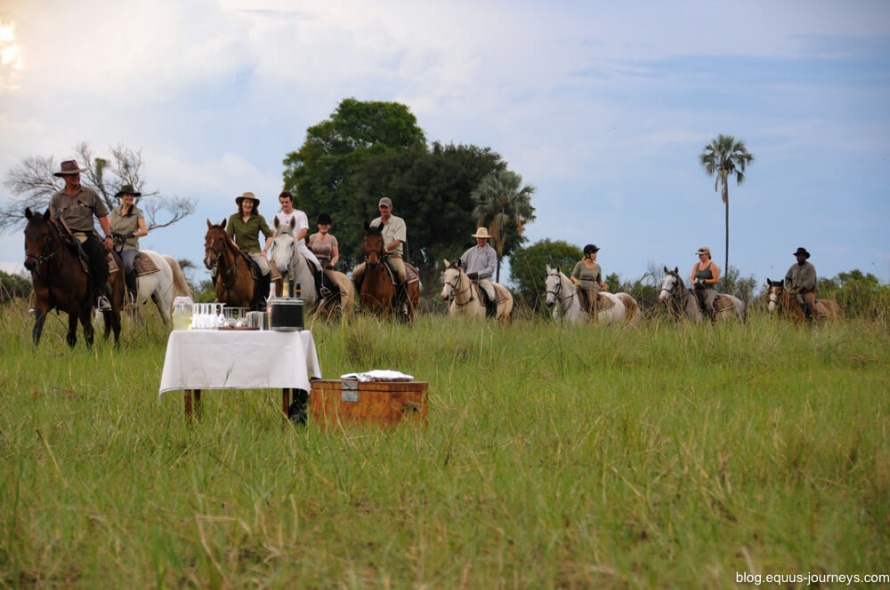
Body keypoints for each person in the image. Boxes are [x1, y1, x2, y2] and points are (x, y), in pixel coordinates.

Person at [48, 159, 114, 310]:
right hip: (63, 238)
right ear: (64, 177)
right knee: (45, 259)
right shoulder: (56, 198)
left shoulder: (90, 194)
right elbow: (52, 220)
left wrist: (108, 236)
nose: (76, 176)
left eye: (77, 173)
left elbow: (102, 215)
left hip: (86, 236)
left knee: (100, 260)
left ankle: (100, 296)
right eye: (72, 175)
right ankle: (48, 297)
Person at [352, 197, 408, 311]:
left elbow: (398, 240)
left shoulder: (399, 221)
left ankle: (401, 303)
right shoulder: (374, 222)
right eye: (382, 207)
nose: (384, 209)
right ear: (379, 208)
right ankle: (361, 302)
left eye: (386, 207)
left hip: (393, 255)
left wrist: (386, 248)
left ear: (390, 207)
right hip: (376, 256)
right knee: (355, 273)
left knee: (402, 274)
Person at [275, 191, 329, 297]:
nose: (284, 205)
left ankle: (320, 289)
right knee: (270, 266)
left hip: (299, 246)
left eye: (286, 202)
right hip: (282, 248)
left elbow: (304, 231)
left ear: (291, 202)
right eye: (282, 203)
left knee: (317, 265)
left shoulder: (300, 214)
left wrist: (293, 241)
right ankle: (272, 293)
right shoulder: (277, 217)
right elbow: (273, 232)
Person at [225, 192, 273, 294]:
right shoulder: (233, 218)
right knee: (221, 267)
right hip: (238, 252)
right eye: (246, 202)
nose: (248, 205)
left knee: (265, 269)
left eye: (251, 203)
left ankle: (264, 297)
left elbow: (269, 236)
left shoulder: (259, 219)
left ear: (254, 205)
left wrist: (265, 250)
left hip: (254, 251)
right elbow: (228, 236)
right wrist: (233, 244)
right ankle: (221, 294)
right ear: (241, 204)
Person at [110, 184, 148, 305]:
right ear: (122, 196)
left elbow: (144, 231)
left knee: (127, 265)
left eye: (131, 195)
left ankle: (132, 294)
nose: (129, 197)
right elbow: (108, 226)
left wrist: (132, 235)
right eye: (127, 195)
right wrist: (110, 234)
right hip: (114, 246)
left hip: (129, 247)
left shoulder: (137, 212)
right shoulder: (115, 212)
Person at [459, 227, 498, 317]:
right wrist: (463, 274)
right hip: (469, 280)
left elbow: (491, 268)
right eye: (479, 238)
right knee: (455, 292)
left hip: (484, 280)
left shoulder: (491, 252)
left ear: (486, 239)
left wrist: (477, 274)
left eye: (483, 238)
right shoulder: (470, 251)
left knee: (491, 296)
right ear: (476, 238)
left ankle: (490, 315)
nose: (481, 240)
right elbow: (461, 263)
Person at [570, 244, 609, 315]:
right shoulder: (580, 264)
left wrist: (605, 285)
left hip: (591, 289)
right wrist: (576, 281)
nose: (595, 255)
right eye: (593, 253)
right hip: (580, 286)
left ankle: (594, 320)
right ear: (587, 254)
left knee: (592, 302)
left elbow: (599, 281)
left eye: (595, 253)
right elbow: (572, 276)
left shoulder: (598, 267)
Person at [785, 247, 817, 320]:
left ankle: (813, 319)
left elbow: (810, 281)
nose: (800, 257)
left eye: (802, 256)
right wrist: (789, 289)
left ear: (805, 257)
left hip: (807, 291)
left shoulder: (810, 267)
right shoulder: (793, 267)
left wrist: (800, 289)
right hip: (793, 291)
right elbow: (787, 278)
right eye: (798, 256)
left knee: (809, 303)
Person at [689, 245, 720, 321]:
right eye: (699, 255)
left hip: (709, 289)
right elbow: (691, 278)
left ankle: (712, 320)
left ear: (708, 255)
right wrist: (694, 283)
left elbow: (716, 280)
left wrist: (705, 281)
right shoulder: (696, 265)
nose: (700, 256)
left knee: (708, 303)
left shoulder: (712, 265)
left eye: (701, 254)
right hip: (698, 289)